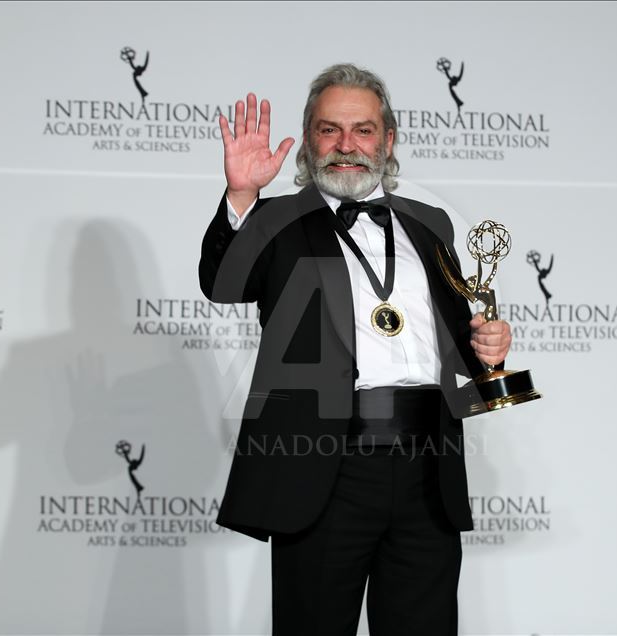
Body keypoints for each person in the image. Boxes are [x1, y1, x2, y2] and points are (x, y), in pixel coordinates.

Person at [199, 63, 512, 636]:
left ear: (387, 139)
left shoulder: (431, 225)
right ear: (309, 138)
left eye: (363, 130)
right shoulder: (277, 221)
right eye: (330, 129)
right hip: (322, 468)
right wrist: (242, 195)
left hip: (428, 470)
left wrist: (485, 350)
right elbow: (222, 283)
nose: (347, 145)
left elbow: (444, 344)